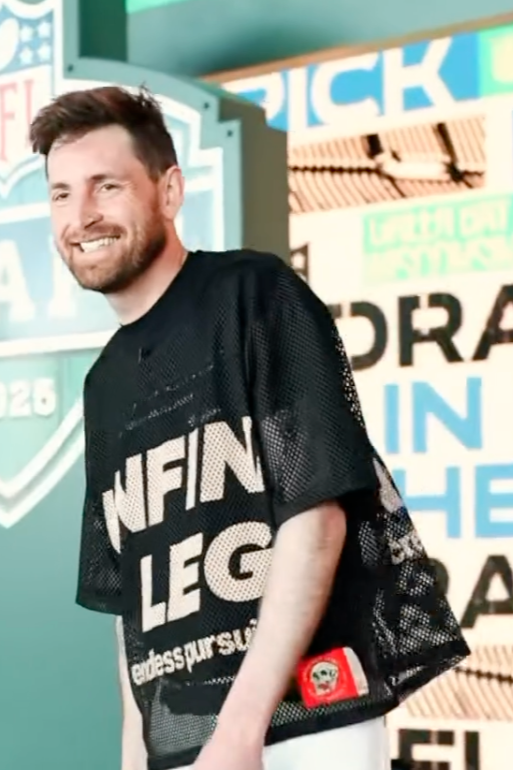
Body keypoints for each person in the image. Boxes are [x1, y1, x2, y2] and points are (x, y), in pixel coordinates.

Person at [29, 86, 470, 770]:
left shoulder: (256, 295)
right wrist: (134, 748)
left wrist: (240, 731)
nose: (80, 215)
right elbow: (132, 600)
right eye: (60, 194)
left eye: (106, 186)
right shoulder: (104, 382)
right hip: (184, 743)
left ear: (168, 191)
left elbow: (315, 517)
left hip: (307, 722)